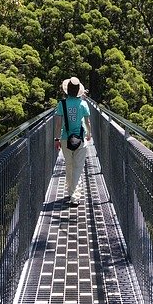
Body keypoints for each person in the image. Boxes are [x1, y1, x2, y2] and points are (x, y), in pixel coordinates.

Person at [54, 76, 92, 206]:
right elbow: (87, 122)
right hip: (80, 139)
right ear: (78, 91)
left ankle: (70, 191)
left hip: (65, 139)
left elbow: (58, 124)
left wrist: (56, 139)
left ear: (67, 90)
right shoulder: (83, 104)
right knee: (77, 167)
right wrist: (89, 134)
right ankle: (75, 196)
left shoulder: (62, 104)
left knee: (69, 165)